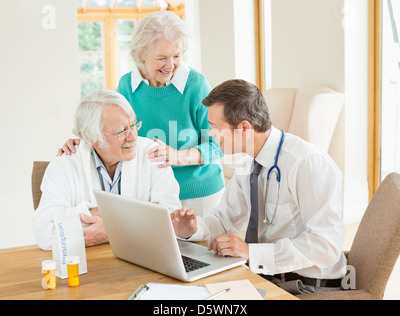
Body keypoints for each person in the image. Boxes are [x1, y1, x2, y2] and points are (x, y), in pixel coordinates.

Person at [171, 79, 347, 294]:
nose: (210, 134)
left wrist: (251, 253)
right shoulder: (248, 160)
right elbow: (223, 219)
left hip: (307, 285)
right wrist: (192, 229)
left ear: (244, 127)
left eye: (215, 127)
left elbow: (326, 246)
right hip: (266, 274)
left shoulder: (306, 162)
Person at [59, 11, 225, 216]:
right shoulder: (127, 86)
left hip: (198, 195)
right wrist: (82, 141)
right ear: (140, 56)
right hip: (149, 193)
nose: (171, 65)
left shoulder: (196, 85)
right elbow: (110, 129)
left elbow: (219, 144)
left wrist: (179, 156)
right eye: (162, 58)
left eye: (176, 56)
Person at [34, 89, 181, 250]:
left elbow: (171, 220)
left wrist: (110, 230)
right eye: (121, 131)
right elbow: (45, 234)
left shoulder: (153, 154)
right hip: (88, 267)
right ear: (93, 138)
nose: (133, 137)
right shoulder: (64, 166)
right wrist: (135, 217)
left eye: (133, 125)